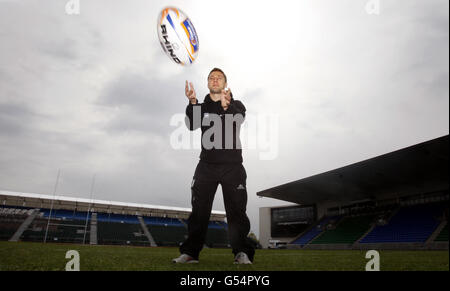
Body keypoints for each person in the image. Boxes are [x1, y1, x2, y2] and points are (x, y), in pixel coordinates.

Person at [172, 68, 255, 264]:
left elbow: (240, 118)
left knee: (237, 212)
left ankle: (241, 252)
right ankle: (191, 252)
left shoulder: (236, 104)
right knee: (199, 211)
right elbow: (191, 124)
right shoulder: (202, 106)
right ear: (208, 83)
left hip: (232, 167)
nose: (215, 80)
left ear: (225, 83)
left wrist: (227, 107)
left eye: (219, 78)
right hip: (206, 166)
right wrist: (192, 102)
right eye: (211, 78)